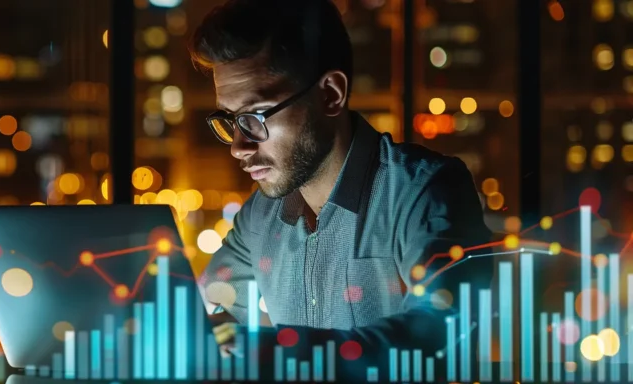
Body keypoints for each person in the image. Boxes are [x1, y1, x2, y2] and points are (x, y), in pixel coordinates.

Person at [189, 0, 493, 373]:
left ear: (331, 93)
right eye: (230, 120)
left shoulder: (423, 190)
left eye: (254, 117)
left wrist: (280, 354)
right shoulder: (260, 215)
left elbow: (442, 330)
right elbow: (209, 305)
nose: (238, 146)